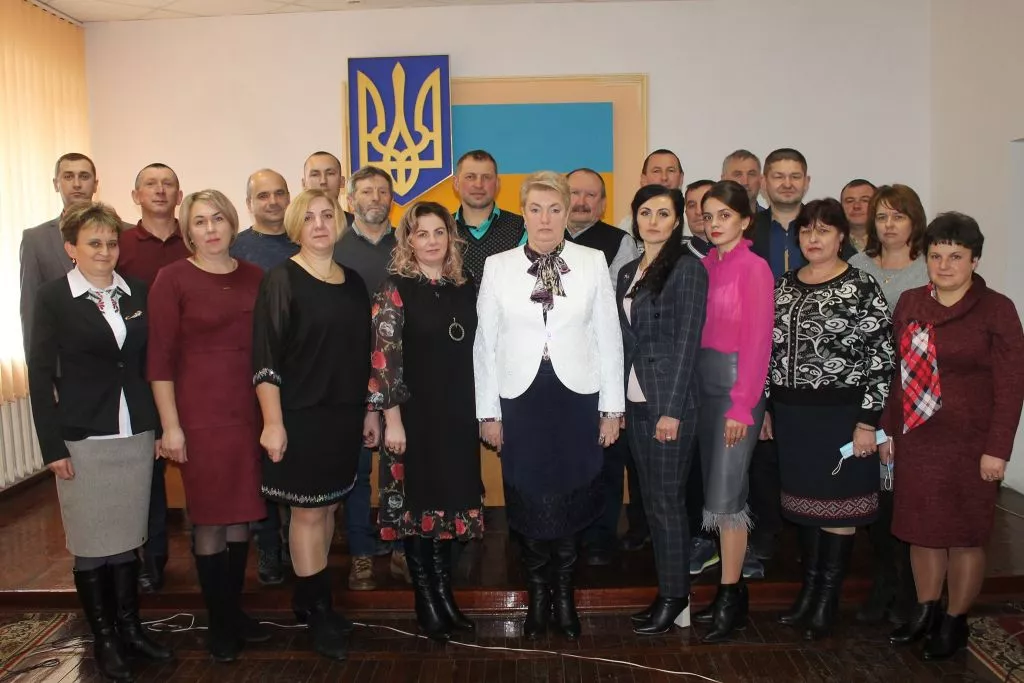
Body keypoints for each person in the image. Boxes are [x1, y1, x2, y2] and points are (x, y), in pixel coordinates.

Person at [27, 202, 173, 681]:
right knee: (92, 542)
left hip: (135, 432)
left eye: (111, 242)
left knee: (128, 539)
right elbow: (39, 373)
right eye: (94, 243)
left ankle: (131, 630)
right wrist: (51, 446)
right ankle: (104, 638)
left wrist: (158, 425)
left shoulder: (137, 291)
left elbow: (149, 362)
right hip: (83, 436)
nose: (105, 251)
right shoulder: (53, 297)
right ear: (71, 248)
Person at [475, 171, 624, 641]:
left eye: (555, 209)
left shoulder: (592, 261)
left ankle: (565, 595)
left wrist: (612, 409)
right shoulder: (498, 266)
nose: (545, 219)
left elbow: (608, 337)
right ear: (523, 213)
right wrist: (489, 413)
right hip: (521, 399)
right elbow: (485, 344)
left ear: (566, 213)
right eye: (536, 209)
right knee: (530, 496)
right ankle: (537, 595)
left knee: (573, 492)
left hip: (577, 397)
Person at [882, 213, 1024, 661]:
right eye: (936, 256)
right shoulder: (910, 302)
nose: (944, 265)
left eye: (956, 257)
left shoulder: (996, 309)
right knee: (921, 531)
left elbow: (1011, 386)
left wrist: (997, 450)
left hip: (971, 445)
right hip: (918, 439)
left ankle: (955, 620)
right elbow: (896, 375)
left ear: (974, 260)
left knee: (964, 535)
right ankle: (926, 611)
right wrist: (887, 429)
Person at [252, 189, 376, 661]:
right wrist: (272, 423)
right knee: (307, 513)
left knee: (327, 510)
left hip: (343, 416)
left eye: (327, 215)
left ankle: (310, 600)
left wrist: (368, 411)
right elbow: (266, 359)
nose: (320, 224)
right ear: (295, 226)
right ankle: (319, 613)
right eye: (309, 217)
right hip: (298, 416)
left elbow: (364, 355)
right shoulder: (282, 279)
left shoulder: (353, 282)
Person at [147, 190, 269, 662]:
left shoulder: (255, 276)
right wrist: (171, 427)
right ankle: (219, 625)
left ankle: (234, 612)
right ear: (188, 231)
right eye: (199, 221)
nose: (211, 228)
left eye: (218, 218)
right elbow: (159, 359)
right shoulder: (172, 278)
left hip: (249, 413)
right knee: (211, 519)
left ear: (232, 222)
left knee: (242, 515)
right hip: (199, 416)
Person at [765, 198, 895, 641]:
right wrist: (766, 408)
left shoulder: (861, 285)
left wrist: (868, 422)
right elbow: (768, 352)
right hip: (792, 416)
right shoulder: (783, 285)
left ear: (841, 237)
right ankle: (808, 594)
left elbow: (882, 358)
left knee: (838, 506)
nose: (813, 238)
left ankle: (827, 600)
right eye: (806, 230)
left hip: (843, 417)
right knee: (804, 506)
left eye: (823, 230)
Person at [369, 201, 482, 641]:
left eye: (439, 232)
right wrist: (392, 421)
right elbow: (384, 362)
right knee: (418, 512)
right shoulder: (395, 289)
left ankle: (445, 597)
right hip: (413, 419)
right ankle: (426, 602)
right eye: (422, 233)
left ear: (451, 237)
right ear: (408, 241)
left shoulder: (464, 287)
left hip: (456, 417)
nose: (432, 241)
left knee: (448, 510)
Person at [616, 185, 707, 635]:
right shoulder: (628, 271)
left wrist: (671, 411)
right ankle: (668, 592)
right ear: (635, 218)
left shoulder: (687, 268)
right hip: (635, 401)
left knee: (668, 504)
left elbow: (688, 343)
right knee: (652, 503)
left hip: (670, 405)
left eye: (663, 213)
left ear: (677, 220)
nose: (653, 221)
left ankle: (675, 598)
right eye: (645, 212)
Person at [689, 181, 774, 642]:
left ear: (745, 220)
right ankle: (731, 593)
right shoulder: (703, 266)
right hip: (704, 391)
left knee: (726, 499)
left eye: (725, 215)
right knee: (716, 493)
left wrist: (744, 406)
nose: (715, 223)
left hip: (737, 391)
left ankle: (730, 597)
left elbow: (758, 343)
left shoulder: (755, 268)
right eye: (709, 215)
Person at [847, 184, 929, 625]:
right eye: (882, 217)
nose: (889, 225)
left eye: (898, 216)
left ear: (915, 221)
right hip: (867, 397)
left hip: (916, 397)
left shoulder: (929, 268)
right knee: (877, 494)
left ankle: (916, 591)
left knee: (909, 496)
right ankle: (885, 580)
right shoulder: (858, 266)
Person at [333, 165, 408, 590]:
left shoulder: (407, 245)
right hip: (351, 374)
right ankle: (361, 553)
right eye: (366, 191)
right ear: (350, 199)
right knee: (358, 469)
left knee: (400, 465)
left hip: (401, 375)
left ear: (392, 199)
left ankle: (399, 548)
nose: (375, 198)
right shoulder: (335, 248)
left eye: (382, 191)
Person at [117, 162, 190, 593]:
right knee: (149, 471)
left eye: (169, 185)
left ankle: (210, 550)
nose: (160, 191)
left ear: (180, 196)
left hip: (194, 371)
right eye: (151, 184)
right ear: (136, 195)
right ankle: (153, 556)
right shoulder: (121, 245)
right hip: (140, 374)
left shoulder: (196, 238)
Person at [566, 167, 639, 566]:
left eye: (590, 195)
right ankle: (566, 532)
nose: (581, 201)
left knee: (607, 456)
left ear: (604, 203)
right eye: (574, 193)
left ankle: (599, 536)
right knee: (568, 453)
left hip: (605, 366)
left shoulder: (618, 242)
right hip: (554, 371)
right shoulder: (543, 237)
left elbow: (616, 307)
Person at [230, 168, 295, 585]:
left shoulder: (305, 239)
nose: (272, 201)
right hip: (251, 371)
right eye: (263, 195)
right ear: (249, 203)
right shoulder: (237, 248)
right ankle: (268, 546)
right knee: (261, 463)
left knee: (296, 463)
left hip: (301, 372)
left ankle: (296, 546)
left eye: (279, 193)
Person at [20, 153, 98, 352]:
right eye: (68, 176)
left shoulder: (123, 232)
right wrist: (36, 366)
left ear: (96, 184)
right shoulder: (35, 239)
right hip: (59, 358)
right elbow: (30, 308)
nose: (77, 184)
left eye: (84, 176)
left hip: (115, 358)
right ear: (56, 184)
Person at [452, 149, 526, 282]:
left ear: (497, 184)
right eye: (470, 177)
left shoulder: (522, 228)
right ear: (456, 183)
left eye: (486, 177)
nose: (478, 184)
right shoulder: (442, 229)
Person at [615, 149, 685, 233]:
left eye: (671, 170)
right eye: (656, 171)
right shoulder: (627, 229)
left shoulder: (693, 223)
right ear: (643, 180)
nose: (664, 177)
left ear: (681, 178)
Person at [301, 151, 356, 226]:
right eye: (315, 175)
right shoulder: (292, 226)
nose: (323, 181)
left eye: (330, 174)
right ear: (304, 184)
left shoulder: (357, 227)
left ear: (342, 181)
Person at [721, 150, 764, 214]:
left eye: (751, 174)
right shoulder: (712, 218)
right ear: (724, 180)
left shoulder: (771, 219)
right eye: (737, 174)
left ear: (761, 180)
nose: (745, 182)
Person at [840, 179, 877, 252]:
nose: (856, 206)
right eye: (850, 201)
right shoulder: (832, 243)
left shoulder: (887, 241)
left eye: (865, 200)